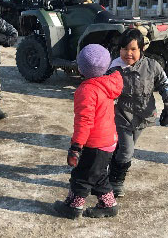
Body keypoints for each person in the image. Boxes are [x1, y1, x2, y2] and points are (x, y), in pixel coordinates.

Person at [54, 44, 123, 219]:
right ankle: (109, 205)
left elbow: (84, 122)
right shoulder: (109, 83)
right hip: (109, 140)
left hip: (95, 143)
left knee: (82, 176)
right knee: (98, 175)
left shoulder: (87, 90)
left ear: (81, 68)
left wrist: (76, 147)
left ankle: (74, 207)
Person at [108, 28, 168, 198]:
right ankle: (116, 181)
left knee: (123, 147)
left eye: (133, 49)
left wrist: (167, 102)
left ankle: (111, 168)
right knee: (127, 150)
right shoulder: (114, 68)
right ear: (119, 49)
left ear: (142, 49)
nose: (128, 53)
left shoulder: (152, 66)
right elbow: (105, 89)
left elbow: (164, 83)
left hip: (142, 116)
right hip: (122, 115)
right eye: (124, 49)